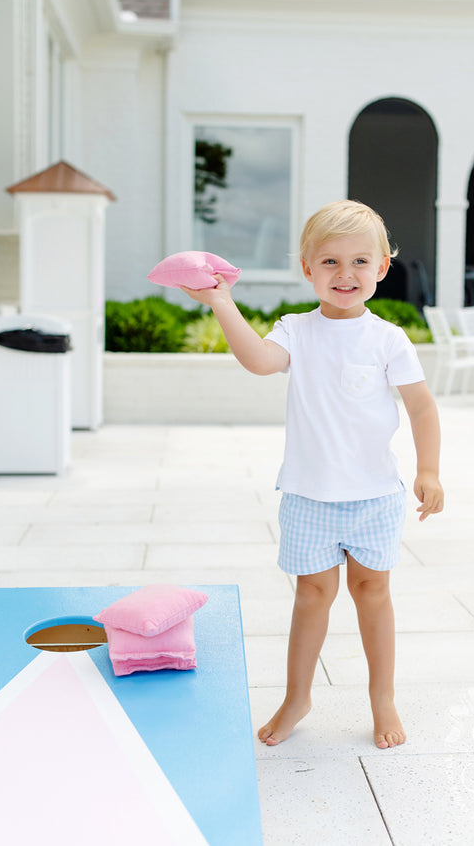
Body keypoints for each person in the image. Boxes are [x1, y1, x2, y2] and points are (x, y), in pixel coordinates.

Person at [181, 199, 444, 749]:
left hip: (375, 496)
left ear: (381, 269)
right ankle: (298, 695)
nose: (344, 274)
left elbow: (420, 407)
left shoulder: (388, 338)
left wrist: (429, 470)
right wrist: (221, 303)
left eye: (358, 262)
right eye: (329, 262)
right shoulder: (295, 331)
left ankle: (382, 698)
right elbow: (257, 361)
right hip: (309, 497)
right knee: (312, 596)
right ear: (307, 269)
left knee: (373, 594)